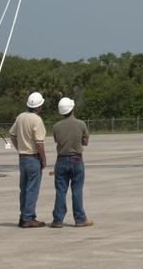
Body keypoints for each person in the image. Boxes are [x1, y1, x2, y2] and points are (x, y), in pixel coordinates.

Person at [50, 97, 94, 229]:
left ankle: (57, 220)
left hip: (61, 159)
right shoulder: (81, 124)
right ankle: (80, 219)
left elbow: (58, 141)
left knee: (60, 191)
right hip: (76, 159)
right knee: (77, 190)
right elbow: (85, 142)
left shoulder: (56, 126)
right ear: (73, 108)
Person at [9, 91, 48, 228]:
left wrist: (19, 147)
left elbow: (12, 134)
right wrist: (43, 159)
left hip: (22, 157)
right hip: (32, 157)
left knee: (24, 188)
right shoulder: (37, 120)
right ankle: (28, 218)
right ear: (39, 107)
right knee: (32, 189)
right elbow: (39, 143)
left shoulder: (20, 117)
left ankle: (23, 215)